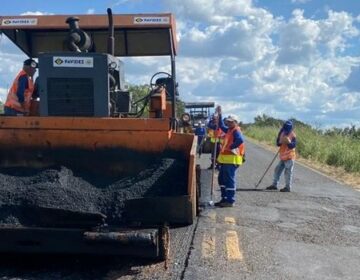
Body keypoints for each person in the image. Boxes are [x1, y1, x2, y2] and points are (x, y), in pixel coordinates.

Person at [214, 108, 245, 207]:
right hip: (226, 159)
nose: (228, 123)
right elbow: (221, 126)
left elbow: (240, 140)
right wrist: (220, 114)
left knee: (228, 179)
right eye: (228, 121)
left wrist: (230, 147)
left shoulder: (236, 130)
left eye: (231, 122)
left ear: (236, 122)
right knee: (221, 179)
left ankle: (230, 200)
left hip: (232, 159)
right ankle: (224, 198)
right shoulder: (229, 130)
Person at [266, 120, 296, 192]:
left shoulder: (293, 135)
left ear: (291, 128)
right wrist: (282, 140)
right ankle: (274, 185)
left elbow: (292, 146)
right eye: (285, 128)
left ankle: (287, 187)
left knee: (288, 172)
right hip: (282, 156)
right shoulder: (282, 132)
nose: (286, 130)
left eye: (287, 128)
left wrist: (288, 142)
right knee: (277, 170)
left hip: (289, 157)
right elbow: (278, 144)